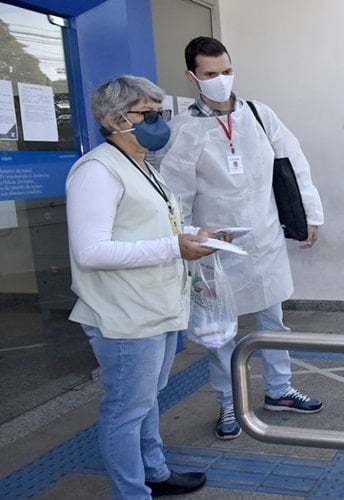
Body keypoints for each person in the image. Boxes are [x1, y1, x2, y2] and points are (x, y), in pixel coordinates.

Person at [159, 36, 325, 440]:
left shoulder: (259, 114)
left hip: (264, 237)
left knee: (273, 321)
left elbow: (293, 163)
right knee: (221, 332)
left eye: (227, 72)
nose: (221, 81)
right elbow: (174, 193)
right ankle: (230, 402)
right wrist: (181, 240)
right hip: (214, 247)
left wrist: (309, 215)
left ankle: (279, 390)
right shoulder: (183, 129)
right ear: (192, 76)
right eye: (211, 74)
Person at [66, 75, 213, 498]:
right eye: (147, 114)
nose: (158, 122)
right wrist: (174, 246)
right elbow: (90, 251)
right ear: (114, 120)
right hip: (124, 315)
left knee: (146, 400)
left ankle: (154, 471)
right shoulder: (97, 171)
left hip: (156, 308)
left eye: (160, 113)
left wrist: (196, 233)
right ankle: (132, 492)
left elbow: (150, 226)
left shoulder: (143, 164)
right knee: (125, 411)